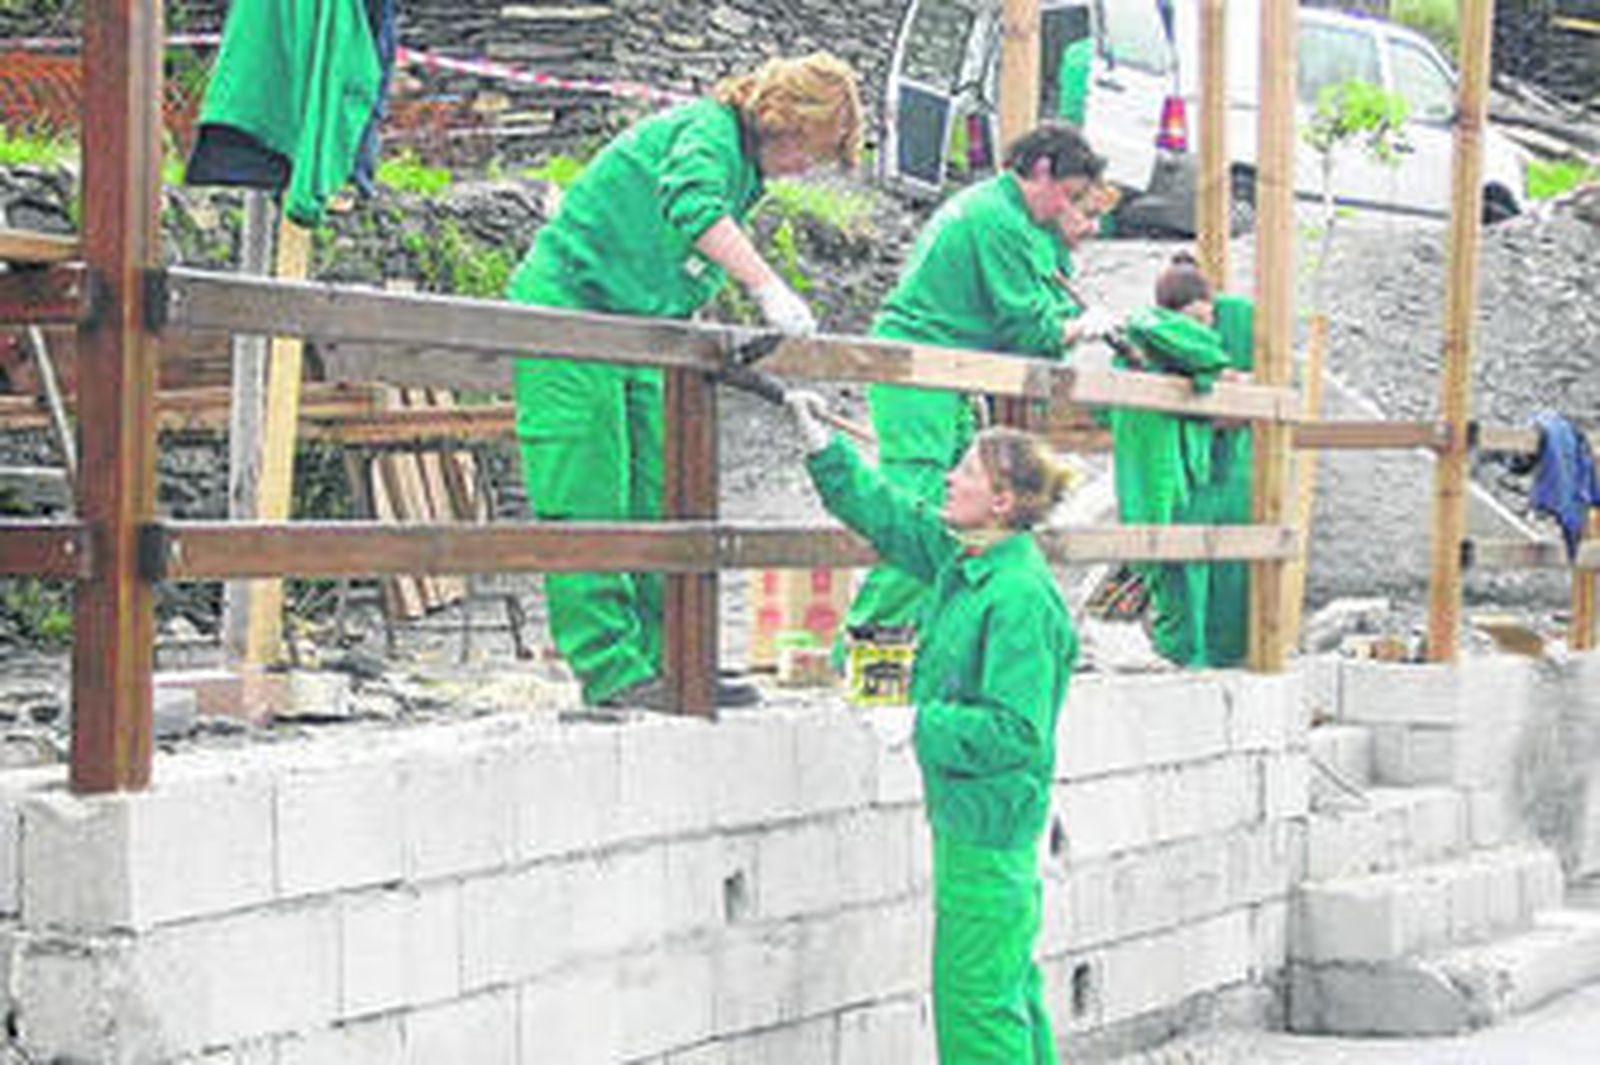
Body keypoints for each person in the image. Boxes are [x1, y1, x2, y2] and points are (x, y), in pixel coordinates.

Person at [506, 54, 863, 710]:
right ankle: (612, 668)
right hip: (568, 309)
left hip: (640, 326)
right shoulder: (708, 132)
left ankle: (670, 660)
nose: (808, 167)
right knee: (587, 487)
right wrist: (766, 284)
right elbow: (689, 205)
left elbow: (671, 248)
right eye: (814, 150)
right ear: (789, 121)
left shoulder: (740, 167)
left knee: (658, 492)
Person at [788, 390, 1077, 1064]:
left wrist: (920, 720)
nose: (951, 476)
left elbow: (1015, 731)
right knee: (1007, 988)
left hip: (991, 826)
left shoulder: (1017, 598)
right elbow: (892, 518)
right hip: (982, 819)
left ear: (1002, 500)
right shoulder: (970, 561)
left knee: (975, 1004)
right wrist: (822, 450)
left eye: (968, 471)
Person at [839, 122, 1113, 666]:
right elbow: (1029, 330)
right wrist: (1080, 329)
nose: (1071, 206)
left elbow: (1038, 306)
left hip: (947, 372)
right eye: (1070, 193)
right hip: (919, 368)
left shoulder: (1010, 217)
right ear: (1040, 171)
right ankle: (867, 654)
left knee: (968, 513)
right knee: (920, 509)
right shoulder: (998, 221)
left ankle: (917, 647)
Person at [1110, 252, 1255, 667]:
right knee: (1178, 579)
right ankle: (1182, 659)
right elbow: (1204, 359)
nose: (1204, 329)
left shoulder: (1212, 333)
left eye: (1208, 320)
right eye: (1194, 319)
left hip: (1215, 478)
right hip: (1166, 481)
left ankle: (1220, 660)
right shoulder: (1149, 331)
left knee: (1229, 578)